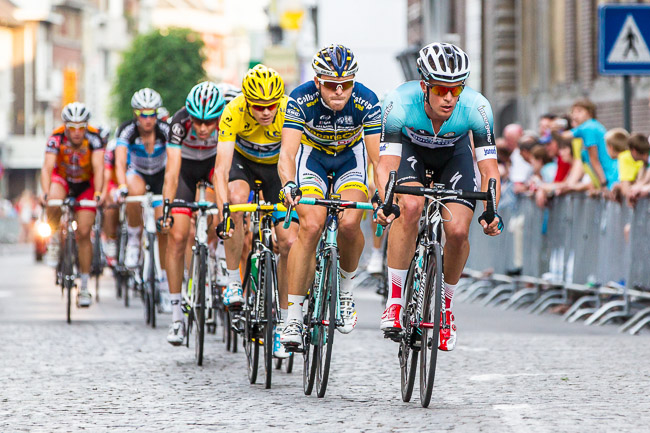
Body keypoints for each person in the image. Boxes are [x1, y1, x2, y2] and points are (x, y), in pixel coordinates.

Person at [374, 42, 502, 351]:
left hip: (453, 158)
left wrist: (491, 208)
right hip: (411, 156)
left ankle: (445, 309)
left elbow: (489, 166)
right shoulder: (399, 102)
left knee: (457, 230)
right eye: (441, 90)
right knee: (412, 205)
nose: (448, 98)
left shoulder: (477, 107)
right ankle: (394, 302)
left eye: (455, 90)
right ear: (424, 86)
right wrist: (386, 201)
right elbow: (386, 163)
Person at [278, 44, 382, 350]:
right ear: (317, 81)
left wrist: (383, 194)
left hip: (350, 160)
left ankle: (345, 291)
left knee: (350, 222)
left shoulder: (367, 100)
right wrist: (288, 184)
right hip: (313, 160)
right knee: (311, 225)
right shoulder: (300, 98)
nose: (339, 91)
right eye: (331, 85)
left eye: (346, 84)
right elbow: (287, 152)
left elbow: (377, 160)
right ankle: (293, 316)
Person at [213, 64, 297, 358]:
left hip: (277, 170)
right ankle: (234, 283)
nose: (265, 112)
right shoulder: (233, 110)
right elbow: (221, 169)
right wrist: (225, 212)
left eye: (271, 106)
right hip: (243, 165)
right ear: (247, 101)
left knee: (288, 241)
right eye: (258, 106)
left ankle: (287, 322)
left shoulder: (289, 110)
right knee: (236, 201)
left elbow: (296, 157)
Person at [159, 82, 226, 345]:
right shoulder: (179, 122)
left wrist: (224, 212)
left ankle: (217, 254)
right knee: (177, 236)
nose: (202, 127)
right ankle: (177, 317)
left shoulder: (226, 123)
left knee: (220, 211)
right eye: (197, 120)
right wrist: (167, 206)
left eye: (209, 122)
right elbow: (172, 172)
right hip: (185, 171)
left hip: (212, 168)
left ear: (218, 117)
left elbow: (223, 172)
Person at [40, 102, 105, 307]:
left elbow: (100, 167)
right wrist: (44, 191)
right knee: (53, 198)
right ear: (66, 127)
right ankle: (54, 240)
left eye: (81, 127)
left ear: (86, 126)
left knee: (84, 233)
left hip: (86, 183)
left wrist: (99, 193)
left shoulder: (94, 138)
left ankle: (84, 287)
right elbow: (47, 168)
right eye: (72, 128)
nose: (76, 132)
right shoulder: (56, 138)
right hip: (63, 180)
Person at [114, 88, 170, 306]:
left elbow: (176, 159)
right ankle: (135, 239)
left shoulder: (165, 129)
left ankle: (165, 284)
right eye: (143, 114)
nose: (148, 119)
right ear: (136, 114)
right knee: (133, 193)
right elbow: (120, 162)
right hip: (137, 173)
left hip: (160, 175)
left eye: (152, 114)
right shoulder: (127, 130)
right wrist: (121, 186)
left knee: (163, 227)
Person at [561, 99, 616, 189]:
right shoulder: (587, 127)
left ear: (589, 112)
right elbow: (563, 136)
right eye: (573, 112)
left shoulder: (588, 128)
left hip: (609, 177)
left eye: (579, 111)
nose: (575, 116)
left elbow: (594, 159)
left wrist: (603, 184)